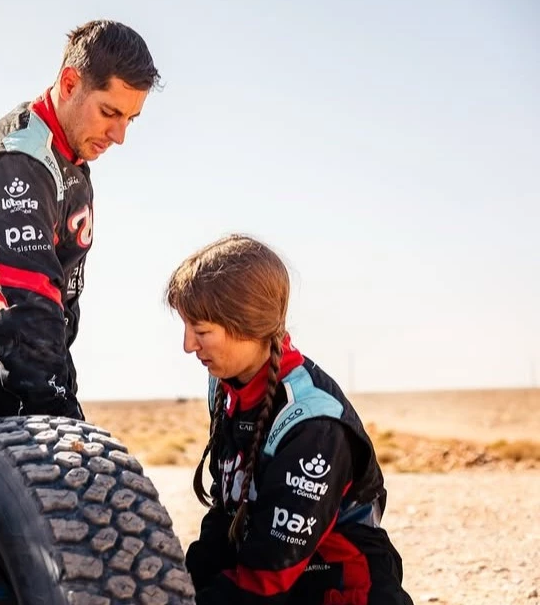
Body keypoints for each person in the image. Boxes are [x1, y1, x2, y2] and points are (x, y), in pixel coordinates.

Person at [0, 19, 161, 438]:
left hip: (34, 373)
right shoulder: (18, 161)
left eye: (131, 119)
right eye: (110, 112)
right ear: (70, 84)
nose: (119, 135)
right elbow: (27, 303)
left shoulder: (67, 151)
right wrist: (61, 416)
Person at [164, 234, 414, 605]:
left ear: (248, 324)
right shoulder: (225, 387)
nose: (188, 345)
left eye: (201, 331)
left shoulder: (314, 423)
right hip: (269, 582)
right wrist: (178, 587)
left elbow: (267, 577)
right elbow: (225, 512)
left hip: (341, 589)